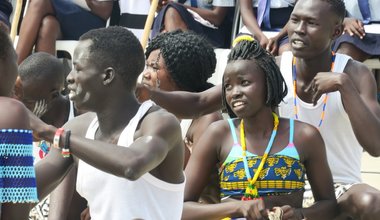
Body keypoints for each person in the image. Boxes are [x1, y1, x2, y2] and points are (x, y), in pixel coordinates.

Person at [138, 0, 380, 218]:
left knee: (372, 202)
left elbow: (376, 146)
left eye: (311, 23)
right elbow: (198, 103)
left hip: (338, 189)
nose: (298, 30)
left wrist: (344, 86)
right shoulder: (271, 70)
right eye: (294, 20)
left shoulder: (355, 74)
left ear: (336, 31)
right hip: (280, 187)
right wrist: (148, 94)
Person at [28, 26, 185, 220]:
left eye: (78, 69)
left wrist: (51, 134)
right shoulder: (77, 129)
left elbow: (131, 166)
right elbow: (25, 192)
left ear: (108, 76)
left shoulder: (160, 123)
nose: (69, 78)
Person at [182, 38, 337, 219]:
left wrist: (300, 214)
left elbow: (329, 205)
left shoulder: (304, 136)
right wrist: (236, 208)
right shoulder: (218, 134)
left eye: (244, 82)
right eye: (228, 86)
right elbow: (181, 207)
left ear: (268, 82)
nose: (235, 92)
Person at [14, 52, 86, 220]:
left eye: (27, 101)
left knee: (68, 152)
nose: (18, 106)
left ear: (53, 96)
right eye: (15, 96)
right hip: (19, 208)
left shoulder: (79, 116)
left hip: (65, 212)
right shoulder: (14, 118)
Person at [141, 30, 223, 168]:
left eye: (154, 67)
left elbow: (192, 174)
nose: (146, 74)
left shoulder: (206, 118)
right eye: (147, 65)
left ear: (180, 74)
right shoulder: (145, 108)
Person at [15, 0, 113, 64]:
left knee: (40, 2)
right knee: (48, 25)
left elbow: (105, 11)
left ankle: (13, 73)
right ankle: (45, 91)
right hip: (62, 19)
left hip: (91, 23)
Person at [152, 0, 235, 48]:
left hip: (209, 33)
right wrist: (160, 6)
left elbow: (217, 18)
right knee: (170, 12)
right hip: (175, 26)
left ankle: (178, 55)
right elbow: (160, 9)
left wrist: (180, 7)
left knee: (172, 11)